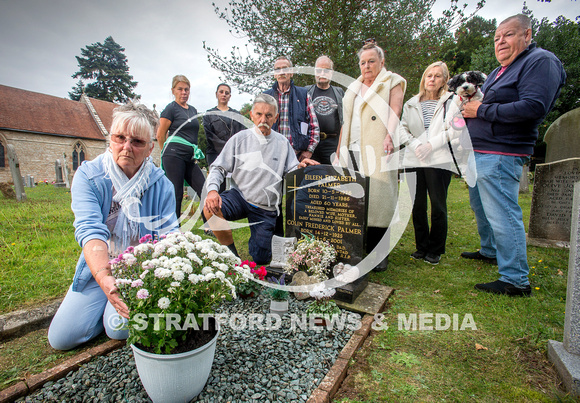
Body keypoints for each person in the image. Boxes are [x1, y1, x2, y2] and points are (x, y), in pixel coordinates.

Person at [48, 102, 178, 350]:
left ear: (150, 148)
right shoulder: (90, 176)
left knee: (118, 328)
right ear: (110, 138)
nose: (126, 147)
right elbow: (90, 231)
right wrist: (105, 279)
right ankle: (102, 305)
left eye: (137, 142)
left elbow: (169, 236)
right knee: (61, 339)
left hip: (140, 270)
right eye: (120, 138)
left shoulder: (162, 185)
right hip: (102, 264)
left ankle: (110, 315)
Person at [462, 14, 566, 296]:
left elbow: (533, 107)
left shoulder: (541, 61)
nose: (500, 42)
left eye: (507, 35)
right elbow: (490, 102)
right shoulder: (500, 70)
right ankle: (490, 250)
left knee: (503, 213)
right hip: (480, 151)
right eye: (496, 38)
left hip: (501, 151)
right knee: (482, 208)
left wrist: (479, 111)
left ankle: (515, 279)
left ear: (527, 34)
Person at [203, 93, 319, 265]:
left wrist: (301, 168)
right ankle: (232, 256)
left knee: (261, 258)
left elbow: (292, 170)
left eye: (269, 115)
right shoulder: (239, 139)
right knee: (210, 208)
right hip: (240, 197)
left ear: (276, 118)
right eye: (259, 114)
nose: (263, 119)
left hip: (265, 207)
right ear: (251, 115)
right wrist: (212, 190)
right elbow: (218, 167)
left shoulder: (282, 143)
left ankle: (259, 243)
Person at [338, 41, 406, 272]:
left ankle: (380, 253)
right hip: (353, 148)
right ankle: (359, 247)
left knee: (380, 200)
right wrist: (339, 149)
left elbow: (395, 110)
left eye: (371, 61)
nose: (366, 66)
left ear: (382, 62)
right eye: (363, 62)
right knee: (355, 199)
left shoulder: (392, 81)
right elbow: (346, 121)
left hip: (378, 147)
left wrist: (389, 136)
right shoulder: (354, 87)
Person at [397, 61, 456, 265]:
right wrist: (416, 146)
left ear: (445, 80)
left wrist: (430, 145)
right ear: (424, 78)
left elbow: (455, 129)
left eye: (437, 76)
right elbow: (402, 129)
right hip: (414, 158)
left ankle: (435, 249)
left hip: (439, 159)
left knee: (438, 205)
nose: (432, 79)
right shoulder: (411, 103)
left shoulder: (452, 101)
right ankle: (421, 247)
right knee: (417, 205)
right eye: (429, 75)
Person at [157, 75, 206, 221]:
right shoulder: (170, 109)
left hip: (189, 157)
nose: (184, 92)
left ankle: (209, 224)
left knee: (204, 189)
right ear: (173, 91)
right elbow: (160, 135)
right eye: (180, 89)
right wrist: (166, 154)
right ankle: (174, 229)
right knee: (176, 193)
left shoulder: (193, 110)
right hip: (173, 155)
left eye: (186, 89)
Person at [264, 56, 320, 162]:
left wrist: (309, 151)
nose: (281, 72)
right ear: (274, 74)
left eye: (285, 69)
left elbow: (314, 126)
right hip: (271, 156)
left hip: (297, 156)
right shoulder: (265, 97)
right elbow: (258, 127)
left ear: (291, 72)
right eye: (278, 69)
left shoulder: (303, 94)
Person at [203, 83, 246, 190]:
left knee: (237, 185)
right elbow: (210, 137)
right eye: (221, 92)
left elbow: (241, 134)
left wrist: (234, 150)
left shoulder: (236, 114)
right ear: (216, 94)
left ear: (230, 96)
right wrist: (227, 149)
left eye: (227, 93)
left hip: (235, 154)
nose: (224, 95)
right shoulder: (209, 114)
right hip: (215, 154)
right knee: (218, 185)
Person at [307, 55, 345, 165]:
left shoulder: (340, 93)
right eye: (319, 70)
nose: (322, 74)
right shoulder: (306, 91)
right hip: (312, 145)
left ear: (332, 72)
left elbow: (345, 121)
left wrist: (340, 149)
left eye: (326, 70)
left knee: (333, 179)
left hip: (333, 144)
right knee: (311, 178)